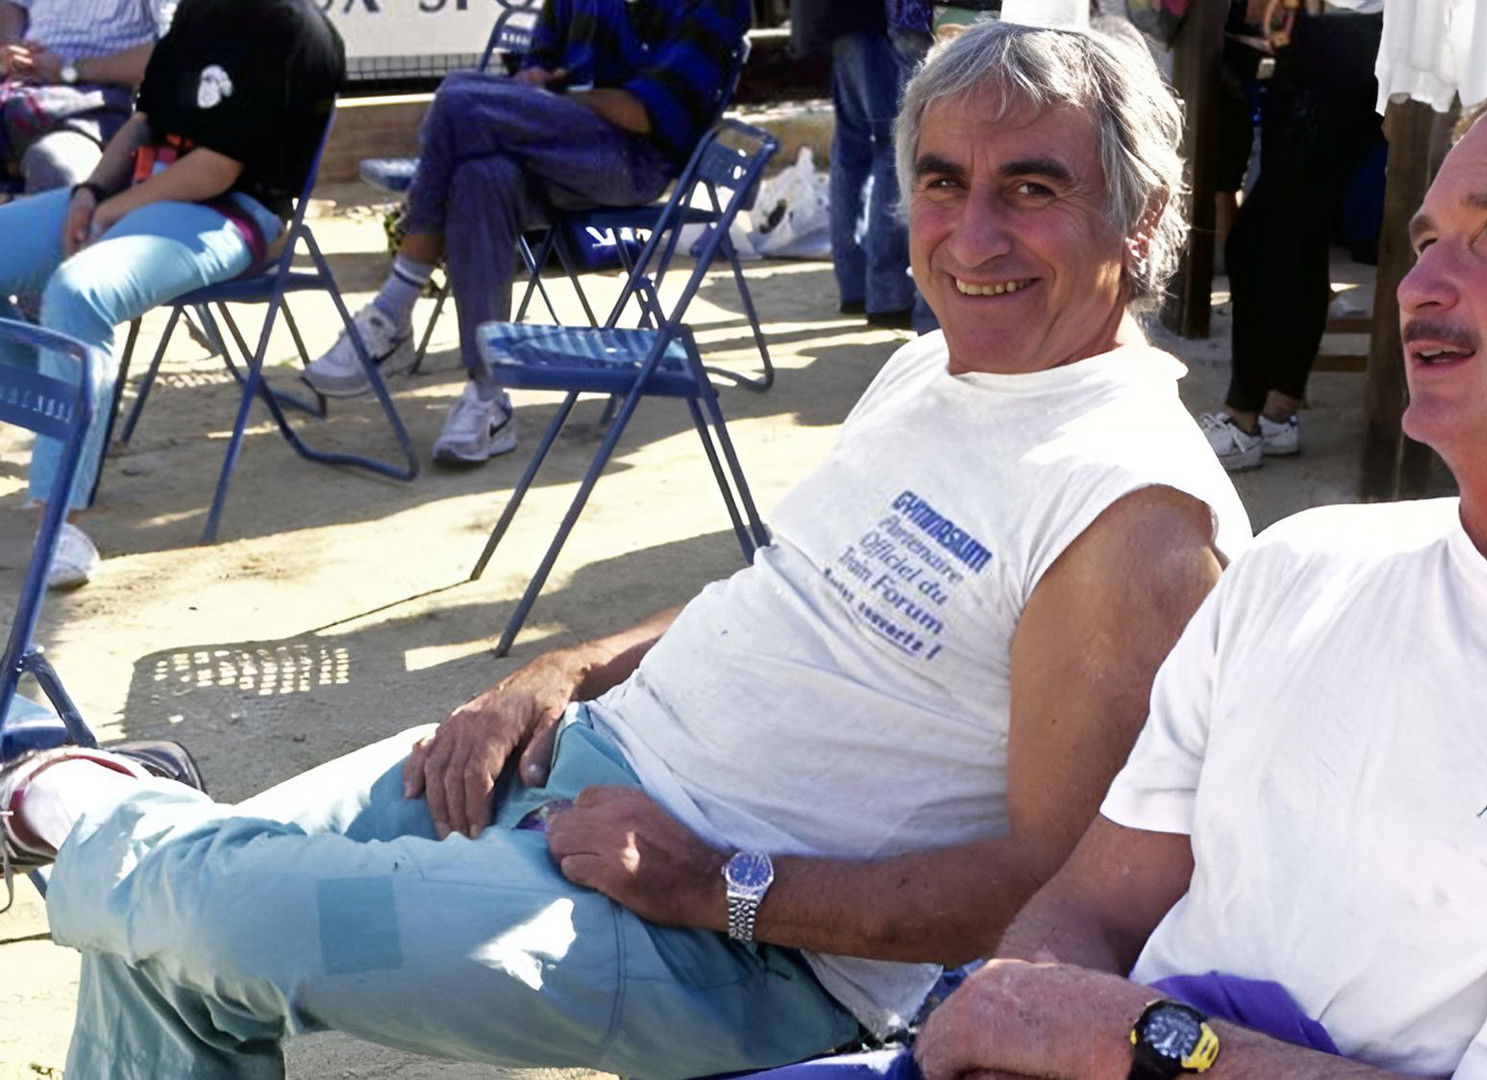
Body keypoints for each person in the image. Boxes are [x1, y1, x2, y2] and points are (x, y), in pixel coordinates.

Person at [0, 20, 1253, 1079]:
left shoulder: (1131, 515)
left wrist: (720, 884)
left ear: (1138, 224)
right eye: (940, 181)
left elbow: (1061, 884)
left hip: (737, 945)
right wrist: (560, 673)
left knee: (222, 909)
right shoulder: (935, 364)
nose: (969, 238)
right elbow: (786, 589)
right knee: (154, 940)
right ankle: (118, 814)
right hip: (594, 768)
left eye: (1031, 189)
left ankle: (68, 799)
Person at [902, 72, 1487, 1080]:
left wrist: (1125, 1043)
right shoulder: (1306, 564)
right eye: (1425, 240)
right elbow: (1096, 902)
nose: (1418, 285)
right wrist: (1024, 1017)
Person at [299, 0, 751, 467]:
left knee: (460, 98)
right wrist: (532, 81)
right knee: (481, 178)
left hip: (632, 163)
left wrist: (546, 105)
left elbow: (648, 115)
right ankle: (487, 395)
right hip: (555, 143)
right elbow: (542, 56)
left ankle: (393, 309)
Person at [0, 0, 340, 589]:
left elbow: (216, 170)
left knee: (78, 293)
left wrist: (110, 209)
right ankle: (78, 403)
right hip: (147, 188)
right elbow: (144, 120)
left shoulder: (290, 26)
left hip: (236, 213)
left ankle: (63, 517)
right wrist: (89, 190)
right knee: (60, 298)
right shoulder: (199, 11)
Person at [1200, 0, 1383, 468]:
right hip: (1317, 39)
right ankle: (1279, 412)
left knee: (1261, 240)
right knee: (1299, 236)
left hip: (1346, 40)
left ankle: (1243, 418)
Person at [791, 0, 921, 329]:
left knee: (855, 147)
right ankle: (887, 293)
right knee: (889, 145)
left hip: (836, 19)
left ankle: (855, 285)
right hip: (868, 19)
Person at [0, 0, 171, 194]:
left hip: (103, 105)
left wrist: (71, 69)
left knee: (56, 166)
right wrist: (10, 44)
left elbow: (172, 55)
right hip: (18, 88)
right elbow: (12, 5)